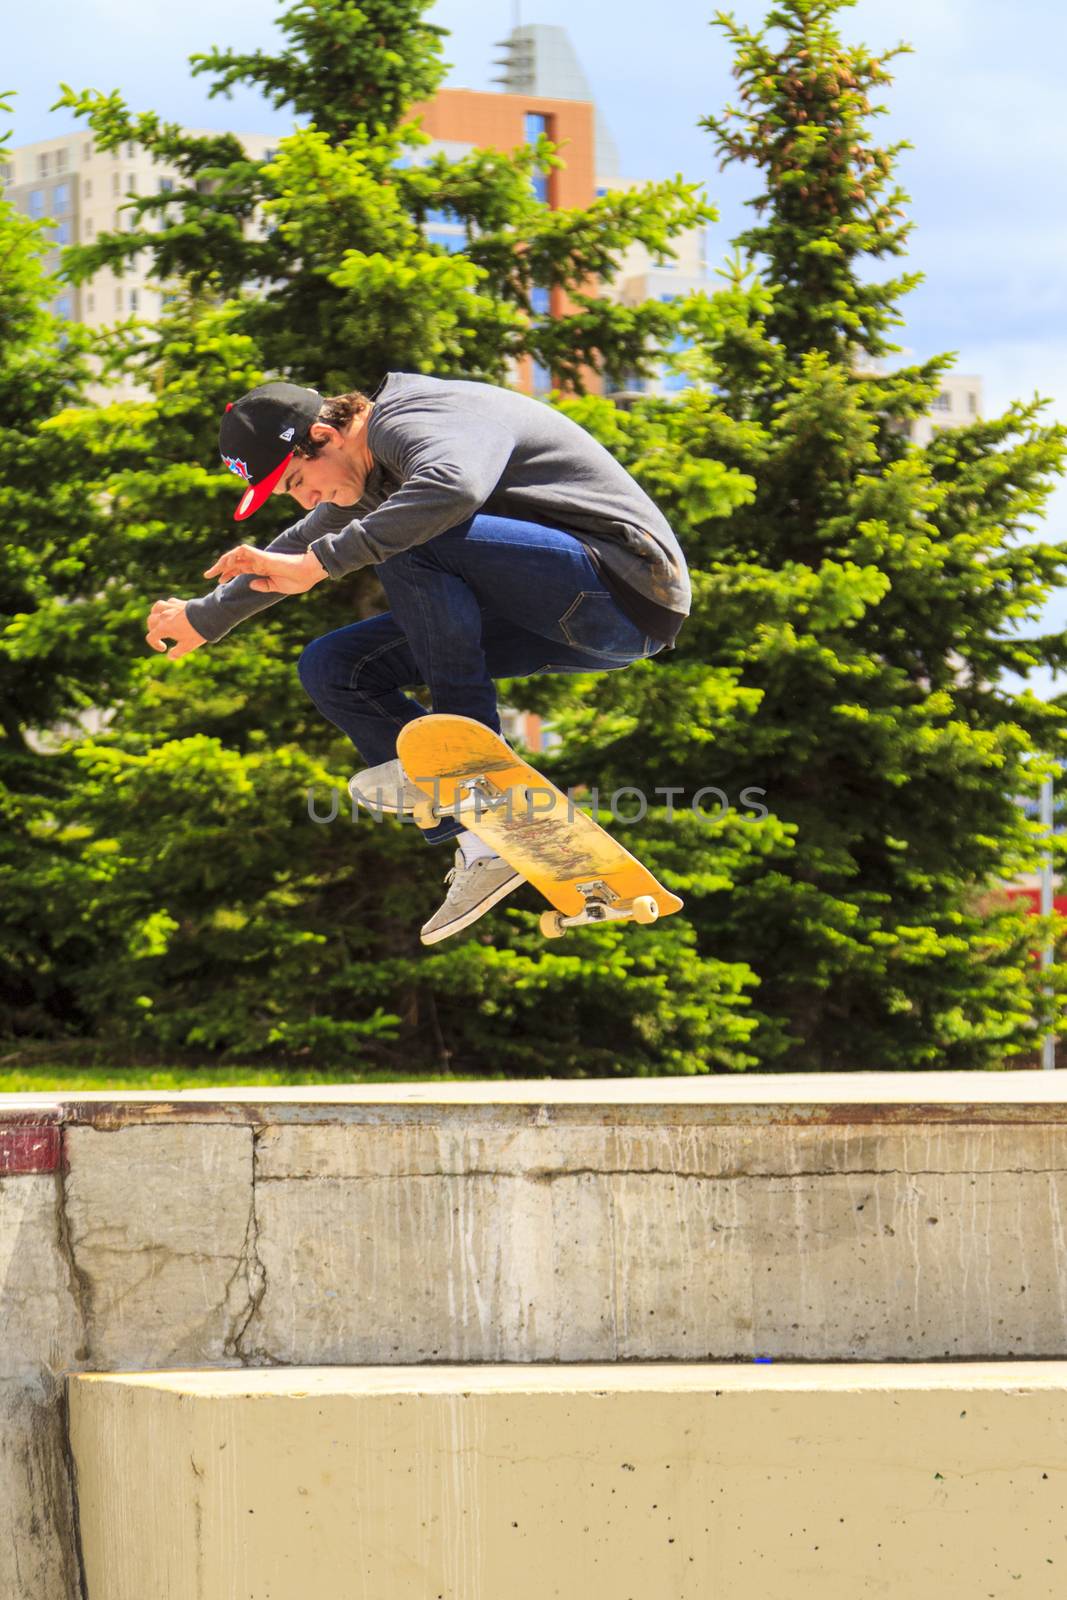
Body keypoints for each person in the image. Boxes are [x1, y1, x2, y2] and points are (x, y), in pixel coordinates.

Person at [145, 373, 691, 943]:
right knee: (335, 668)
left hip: (624, 589)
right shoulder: (366, 474)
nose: (309, 499)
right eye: (294, 495)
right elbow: (297, 546)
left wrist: (321, 565)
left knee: (409, 533)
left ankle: (473, 765)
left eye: (301, 481)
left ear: (323, 435)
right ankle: (482, 838)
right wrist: (205, 616)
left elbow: (452, 490)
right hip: (552, 623)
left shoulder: (414, 420)